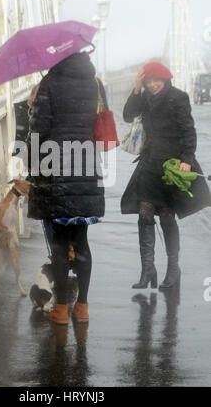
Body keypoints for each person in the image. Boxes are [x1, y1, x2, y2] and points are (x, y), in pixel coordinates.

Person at [26, 51, 108, 324]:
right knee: (81, 242)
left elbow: (39, 129)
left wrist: (31, 162)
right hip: (86, 165)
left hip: (56, 168)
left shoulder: (50, 82)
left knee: (61, 245)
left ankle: (61, 309)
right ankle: (82, 307)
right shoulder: (94, 82)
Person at [121, 61, 211, 290]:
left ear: (166, 80)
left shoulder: (179, 98)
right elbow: (128, 115)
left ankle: (173, 269)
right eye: (149, 81)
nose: (153, 85)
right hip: (150, 163)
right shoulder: (144, 98)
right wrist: (136, 87)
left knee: (167, 216)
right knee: (144, 214)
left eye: (156, 81)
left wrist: (186, 160)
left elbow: (188, 132)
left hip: (172, 165)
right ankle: (148, 269)